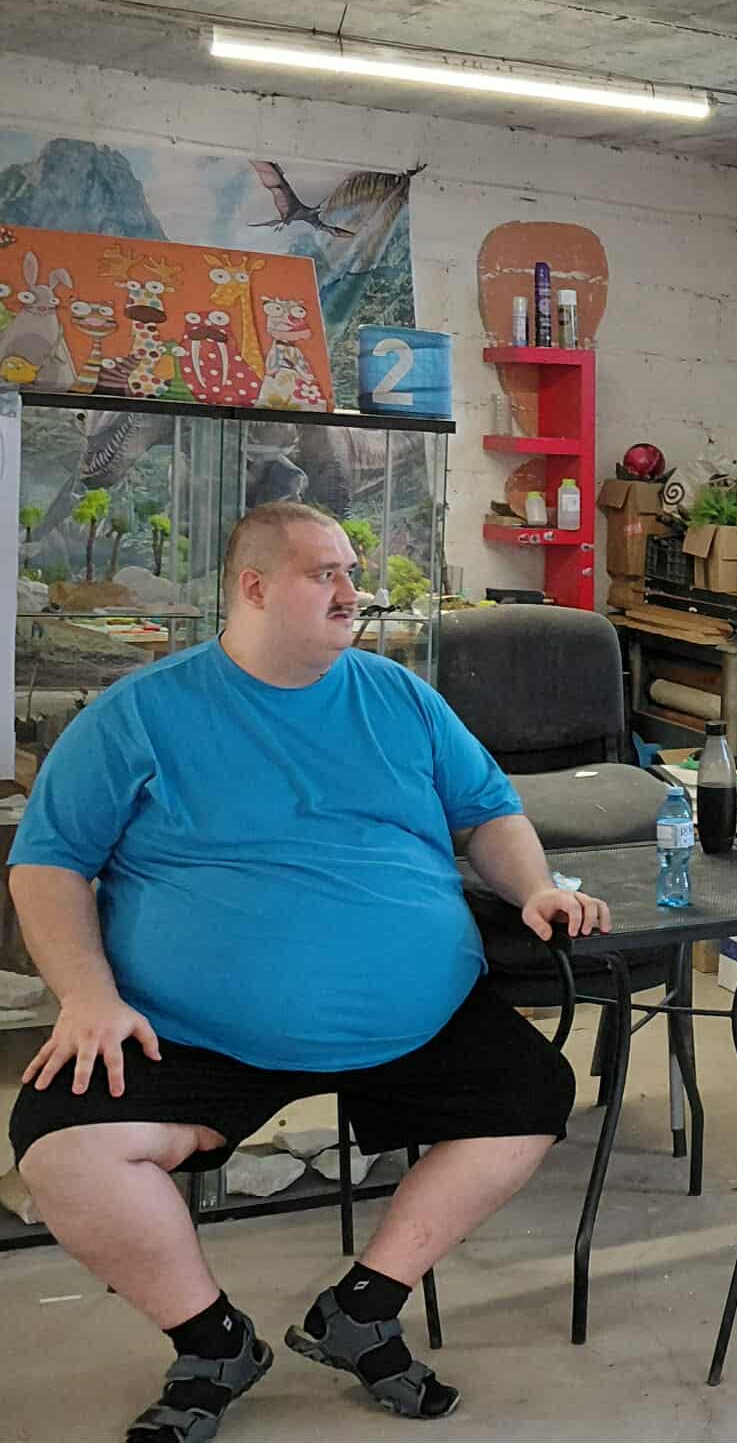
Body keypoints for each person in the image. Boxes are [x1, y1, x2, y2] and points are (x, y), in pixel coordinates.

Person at [7, 502, 608, 1443]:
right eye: (324, 573)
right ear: (253, 587)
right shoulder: (139, 714)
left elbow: (488, 812)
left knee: (531, 1095)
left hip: (415, 1018)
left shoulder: (399, 696)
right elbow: (47, 864)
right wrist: (87, 996)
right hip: (197, 1030)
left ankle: (362, 1308)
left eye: (351, 571)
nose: (351, 591)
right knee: (60, 1146)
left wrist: (532, 887)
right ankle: (212, 1342)